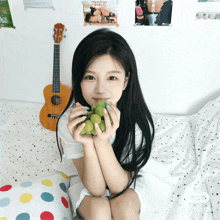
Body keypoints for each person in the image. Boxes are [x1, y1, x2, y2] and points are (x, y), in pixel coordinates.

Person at [55, 28, 155, 219]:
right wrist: (88, 142)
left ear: (126, 81)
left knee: (124, 207)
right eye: (90, 77)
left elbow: (118, 187)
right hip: (87, 182)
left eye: (112, 78)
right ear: (79, 81)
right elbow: (97, 190)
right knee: (99, 210)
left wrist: (102, 141)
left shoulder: (137, 120)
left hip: (127, 179)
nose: (101, 90)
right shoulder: (70, 122)